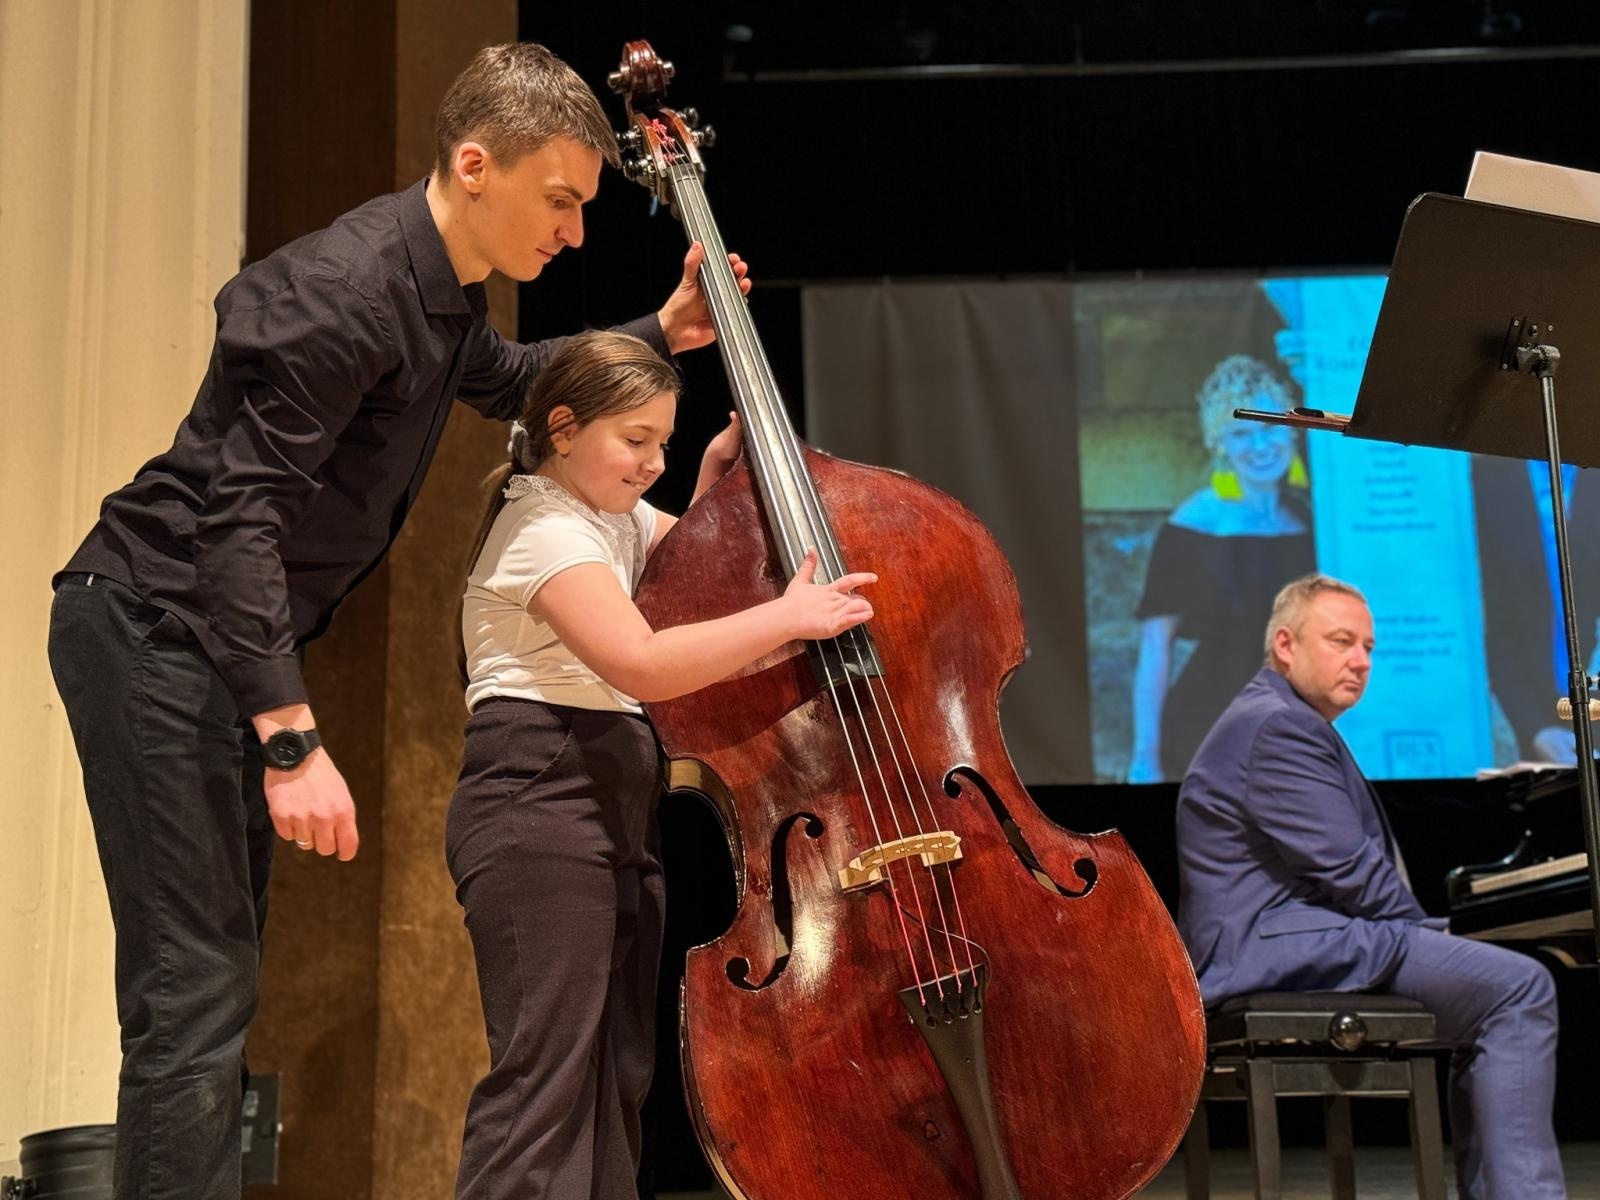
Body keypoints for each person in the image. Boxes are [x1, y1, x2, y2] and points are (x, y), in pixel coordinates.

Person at [46, 43, 747, 1200]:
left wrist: (653, 333)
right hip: (150, 629)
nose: (572, 232)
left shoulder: (437, 294)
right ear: (477, 165)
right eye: (560, 201)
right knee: (194, 986)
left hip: (204, 643)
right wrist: (290, 738)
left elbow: (519, 382)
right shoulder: (341, 292)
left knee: (211, 982)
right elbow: (235, 528)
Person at [447, 330, 875, 1199]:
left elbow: (697, 580)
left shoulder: (611, 515)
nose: (651, 464)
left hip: (609, 801)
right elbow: (642, 661)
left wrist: (717, 475)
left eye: (664, 445)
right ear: (563, 429)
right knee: (545, 1084)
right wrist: (795, 618)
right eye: (634, 441)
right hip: (538, 803)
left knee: (615, 1078)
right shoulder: (543, 528)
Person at [1176, 574, 1566, 1200]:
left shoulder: (1275, 716)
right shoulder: (1278, 726)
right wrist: (1433, 933)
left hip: (1295, 938)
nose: (1360, 661)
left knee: (1491, 988)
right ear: (1285, 644)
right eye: (1340, 642)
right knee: (1519, 987)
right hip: (1273, 949)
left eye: (1369, 647)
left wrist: (1441, 938)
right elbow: (1350, 871)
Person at [1128, 354, 1313, 782]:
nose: (1261, 446)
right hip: (1209, 725)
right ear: (1220, 445)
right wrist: (1145, 758)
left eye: (1270, 428)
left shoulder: (1311, 520)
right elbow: (1157, 647)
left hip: (1294, 724)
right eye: (1241, 434)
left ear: (1293, 435)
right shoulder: (1191, 525)